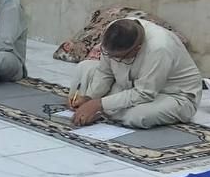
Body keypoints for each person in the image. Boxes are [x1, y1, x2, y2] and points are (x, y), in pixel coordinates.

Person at [68, 17, 202, 128]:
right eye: (109, 55)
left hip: (171, 95)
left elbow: (144, 93)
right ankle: (101, 108)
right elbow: (105, 72)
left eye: (120, 57)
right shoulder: (115, 29)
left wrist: (98, 104)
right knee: (84, 67)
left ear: (137, 49)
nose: (114, 60)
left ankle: (104, 111)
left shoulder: (159, 48)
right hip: (129, 86)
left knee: (137, 116)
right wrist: (89, 97)